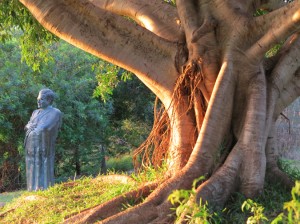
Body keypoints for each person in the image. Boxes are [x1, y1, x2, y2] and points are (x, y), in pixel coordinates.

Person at [24, 88, 62, 191]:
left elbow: (45, 127)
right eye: (38, 99)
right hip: (31, 145)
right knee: (31, 164)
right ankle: (32, 189)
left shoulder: (55, 112)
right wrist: (30, 126)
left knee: (43, 164)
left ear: (49, 100)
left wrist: (32, 126)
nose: (38, 101)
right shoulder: (35, 112)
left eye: (41, 99)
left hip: (45, 145)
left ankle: (44, 189)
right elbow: (27, 126)